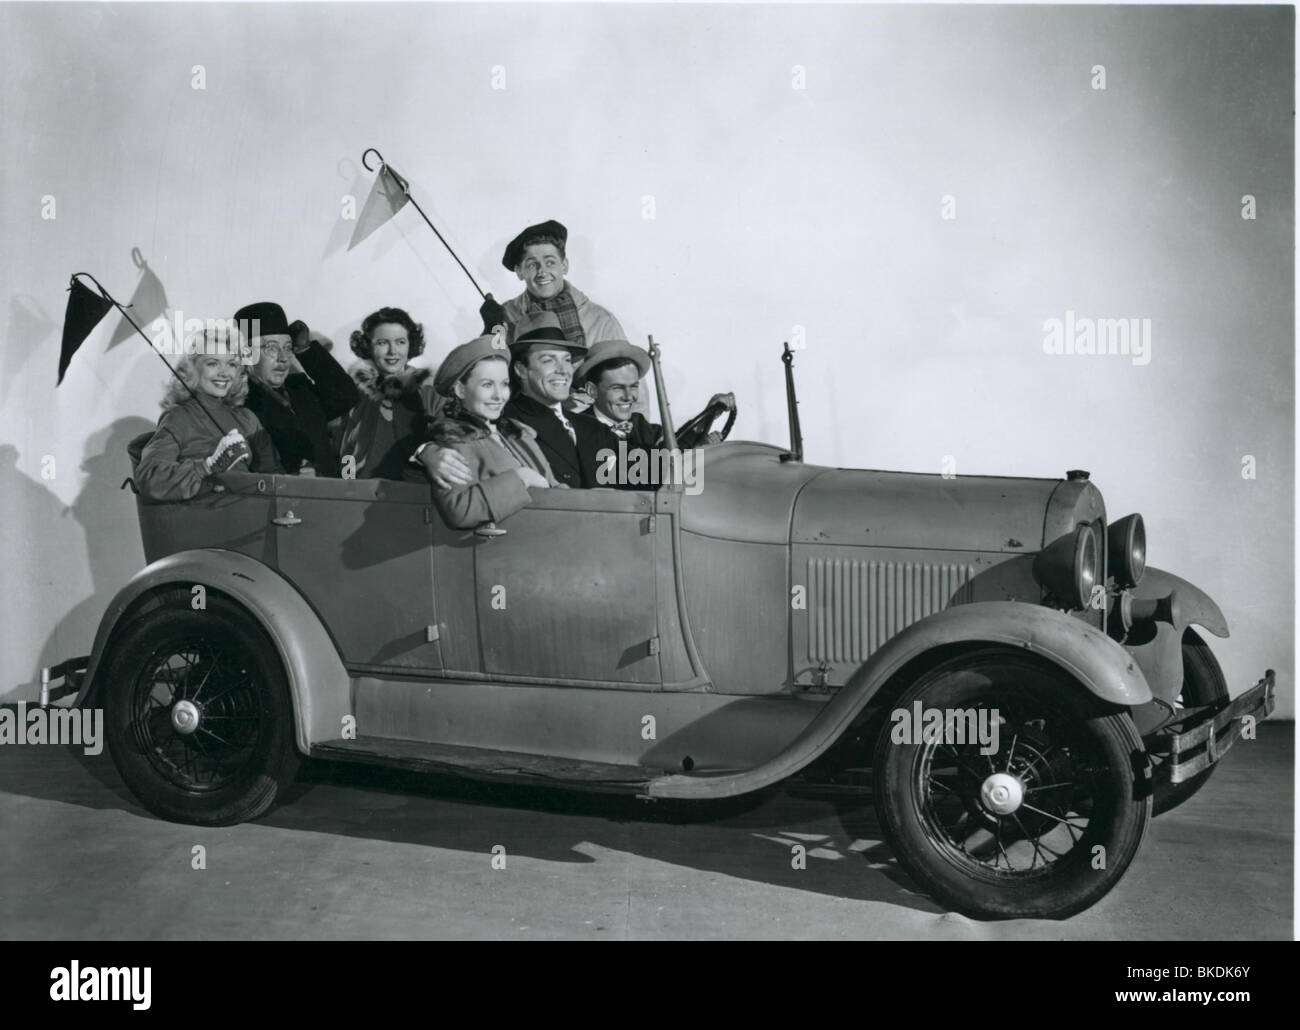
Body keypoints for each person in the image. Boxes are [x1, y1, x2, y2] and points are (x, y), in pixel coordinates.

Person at [420, 332, 564, 529]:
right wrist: (520, 478)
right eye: (487, 385)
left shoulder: (518, 433)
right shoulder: (452, 440)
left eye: (504, 384)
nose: (499, 396)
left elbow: (551, 485)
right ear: (460, 390)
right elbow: (460, 511)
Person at [135, 325, 282, 502]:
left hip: (250, 515)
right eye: (212, 363)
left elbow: (275, 477)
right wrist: (208, 466)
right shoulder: (179, 417)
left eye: (231, 364)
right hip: (203, 520)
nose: (224, 373)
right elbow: (149, 479)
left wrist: (304, 479)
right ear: (192, 369)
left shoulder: (247, 418)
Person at [237, 301, 359, 477]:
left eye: (287, 348)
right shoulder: (241, 403)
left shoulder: (300, 389)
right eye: (271, 348)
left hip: (330, 495)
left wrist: (305, 349)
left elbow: (346, 396)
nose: (283, 358)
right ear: (246, 354)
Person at [501, 312, 615, 489]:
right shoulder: (505, 423)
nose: (563, 370)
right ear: (521, 370)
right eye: (548, 360)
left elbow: (642, 470)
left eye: (567, 360)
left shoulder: (594, 428)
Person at [479, 220, 626, 350]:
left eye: (550, 262)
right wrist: (491, 330)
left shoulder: (602, 321)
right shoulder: (506, 317)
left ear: (564, 266)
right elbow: (492, 366)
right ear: (519, 272)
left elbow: (627, 377)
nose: (542, 272)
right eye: (532, 265)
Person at [337, 306, 442, 480]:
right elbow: (344, 445)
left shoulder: (428, 390)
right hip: (358, 489)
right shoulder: (353, 389)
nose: (393, 351)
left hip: (414, 493)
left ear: (411, 344)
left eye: (400, 342)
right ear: (368, 346)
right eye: (382, 343)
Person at [573, 339, 737, 449]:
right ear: (592, 390)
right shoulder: (577, 432)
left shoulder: (640, 427)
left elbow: (672, 450)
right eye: (617, 388)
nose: (629, 396)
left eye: (633, 386)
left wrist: (707, 417)